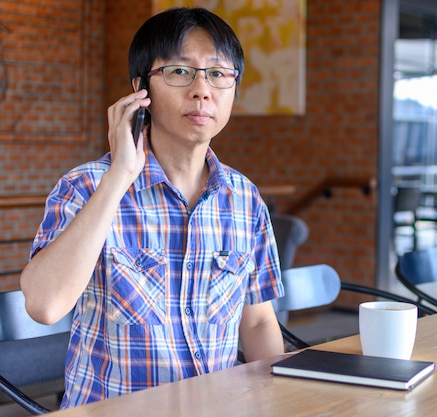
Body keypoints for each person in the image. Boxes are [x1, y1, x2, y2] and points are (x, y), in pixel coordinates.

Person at [19, 7, 285, 408]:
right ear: (139, 89)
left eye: (217, 73)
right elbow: (44, 306)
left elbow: (259, 320)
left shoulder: (244, 199)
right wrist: (119, 177)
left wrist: (280, 403)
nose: (202, 90)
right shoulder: (86, 186)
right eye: (180, 72)